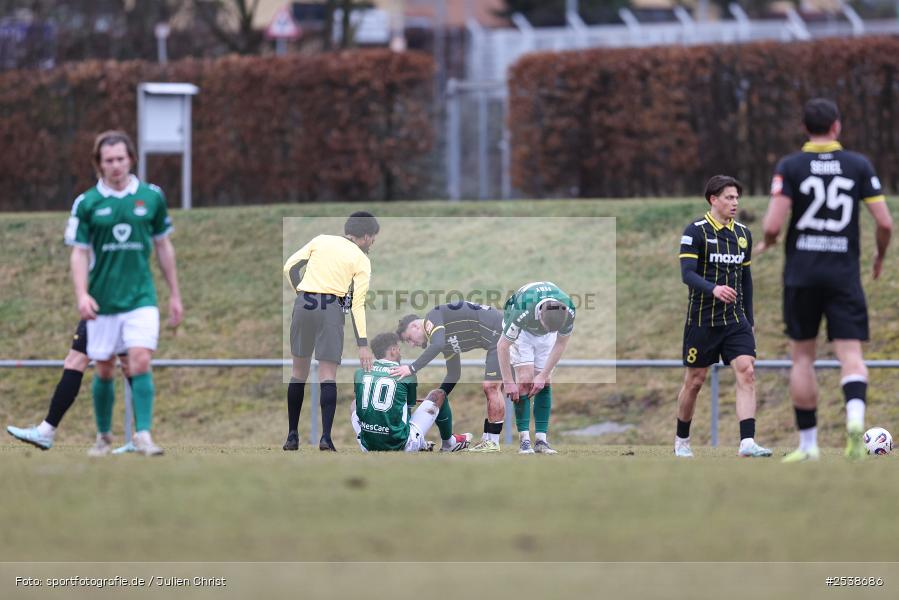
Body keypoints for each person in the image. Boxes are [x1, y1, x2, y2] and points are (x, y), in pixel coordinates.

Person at [756, 98, 892, 462]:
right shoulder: (858, 165)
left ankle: (809, 445)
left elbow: (772, 224)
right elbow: (884, 222)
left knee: (802, 357)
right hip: (843, 274)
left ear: (805, 128)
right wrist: (880, 255)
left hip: (801, 274)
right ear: (837, 126)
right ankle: (855, 419)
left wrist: (768, 242)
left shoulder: (791, 165)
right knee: (851, 354)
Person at [61, 130, 182, 457]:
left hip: (141, 298)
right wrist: (82, 294)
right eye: (108, 160)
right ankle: (103, 437)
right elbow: (79, 252)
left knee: (140, 359)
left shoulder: (152, 197)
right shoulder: (87, 203)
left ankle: (143, 434)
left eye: (120, 159)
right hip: (103, 301)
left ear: (130, 159)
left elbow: (163, 246)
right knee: (103, 367)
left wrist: (174, 294)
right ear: (99, 164)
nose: (115, 165)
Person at [676, 175, 772, 458]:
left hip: (735, 321)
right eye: (729, 197)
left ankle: (747, 442)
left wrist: (750, 319)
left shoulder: (743, 234)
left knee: (747, 371)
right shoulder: (695, 231)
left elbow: (746, 279)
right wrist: (714, 288)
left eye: (737, 198)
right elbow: (687, 275)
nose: (735, 203)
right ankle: (681, 441)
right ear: (713, 200)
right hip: (702, 321)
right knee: (695, 381)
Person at [282, 212, 378, 452]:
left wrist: (303, 295)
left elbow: (289, 267)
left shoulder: (321, 239)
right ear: (365, 236)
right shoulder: (362, 259)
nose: (372, 243)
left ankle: (292, 437)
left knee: (298, 372)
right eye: (373, 238)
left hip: (304, 303)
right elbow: (357, 304)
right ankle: (325, 439)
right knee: (327, 375)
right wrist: (363, 344)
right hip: (331, 308)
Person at [394, 300, 505, 451]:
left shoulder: (432, 317)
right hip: (498, 336)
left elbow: (437, 345)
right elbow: (454, 374)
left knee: (492, 387)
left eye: (408, 339)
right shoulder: (445, 336)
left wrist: (412, 368)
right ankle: (494, 440)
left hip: (500, 333)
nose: (412, 345)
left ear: (414, 326)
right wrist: (435, 400)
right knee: (504, 387)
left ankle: (493, 442)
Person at [7, 321, 130, 453]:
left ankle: (46, 431)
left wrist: (83, 299)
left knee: (76, 362)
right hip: (134, 309)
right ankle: (142, 435)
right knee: (131, 365)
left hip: (103, 309)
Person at [351, 333, 468, 452]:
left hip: (367, 446)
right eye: (399, 349)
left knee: (355, 403)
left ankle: (372, 437)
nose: (400, 353)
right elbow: (407, 411)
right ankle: (449, 444)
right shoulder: (407, 376)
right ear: (393, 350)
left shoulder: (359, 373)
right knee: (439, 394)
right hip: (400, 444)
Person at [495, 281, 575, 455]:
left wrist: (543, 374)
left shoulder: (569, 310)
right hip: (522, 332)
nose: (549, 331)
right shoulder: (522, 310)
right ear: (540, 315)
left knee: (544, 381)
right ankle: (524, 440)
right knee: (524, 380)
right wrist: (508, 382)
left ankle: (541, 441)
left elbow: (560, 343)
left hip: (544, 334)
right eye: (547, 328)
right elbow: (502, 346)